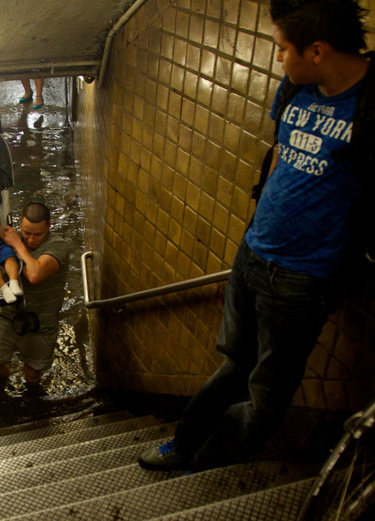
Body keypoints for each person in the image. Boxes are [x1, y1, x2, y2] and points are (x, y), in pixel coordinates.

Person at [138, 0, 373, 473]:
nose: (279, 59)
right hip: (254, 254)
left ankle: (217, 459)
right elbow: (285, 154)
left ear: (319, 51)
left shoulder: (370, 108)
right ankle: (186, 443)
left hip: (303, 280)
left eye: (284, 49)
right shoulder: (296, 88)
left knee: (268, 392)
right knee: (233, 365)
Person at [0, 202, 70, 385]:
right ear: (20, 222)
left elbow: (34, 275)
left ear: (49, 227)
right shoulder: (9, 242)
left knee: (32, 374)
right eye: (27, 233)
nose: (31, 239)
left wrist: (17, 245)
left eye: (38, 234)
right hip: (10, 315)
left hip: (42, 321)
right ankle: (5, 379)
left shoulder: (59, 246)